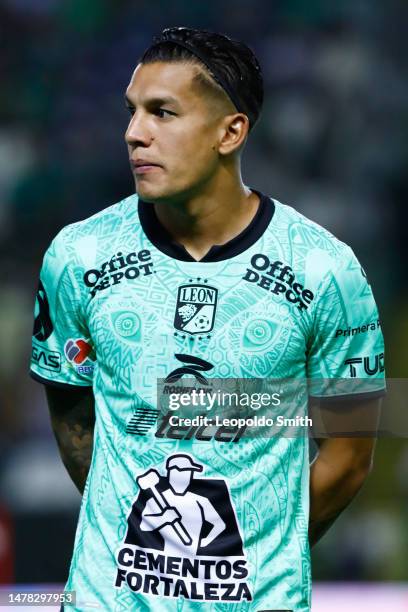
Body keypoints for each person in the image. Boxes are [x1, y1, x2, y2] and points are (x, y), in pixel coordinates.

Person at [30, 27, 385, 611]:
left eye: (162, 113)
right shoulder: (78, 257)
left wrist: (259, 551)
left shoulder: (327, 271)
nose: (134, 133)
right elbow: (75, 426)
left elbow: (349, 456)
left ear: (231, 131)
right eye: (132, 111)